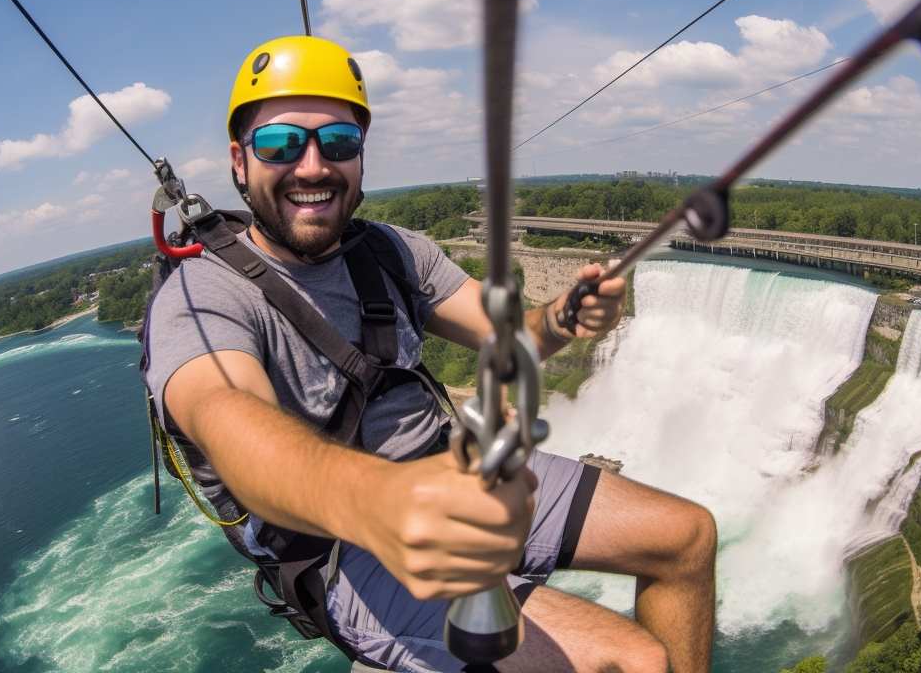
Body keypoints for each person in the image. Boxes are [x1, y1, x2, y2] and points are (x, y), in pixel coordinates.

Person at [144, 35, 716, 672]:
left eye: (338, 142)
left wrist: (563, 318)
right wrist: (386, 500)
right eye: (280, 143)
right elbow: (231, 426)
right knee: (630, 661)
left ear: (360, 158)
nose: (312, 166)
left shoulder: (389, 252)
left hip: (454, 473)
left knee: (686, 538)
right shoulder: (199, 300)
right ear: (239, 162)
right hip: (344, 543)